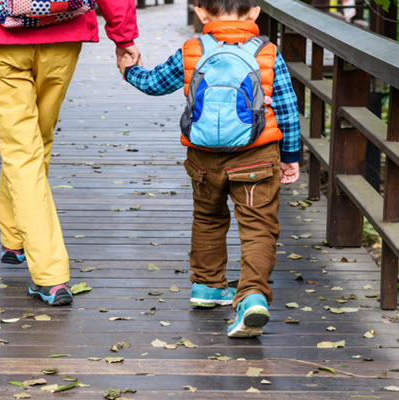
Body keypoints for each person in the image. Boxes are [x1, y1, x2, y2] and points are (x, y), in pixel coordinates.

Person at [0, 0, 140, 306]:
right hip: (61, 36)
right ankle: (14, 237)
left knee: (22, 151)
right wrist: (124, 37)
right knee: (36, 142)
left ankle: (50, 276)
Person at [118, 0, 300, 337]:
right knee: (259, 225)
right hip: (256, 154)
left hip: (203, 157)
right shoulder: (268, 52)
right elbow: (287, 108)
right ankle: (252, 296)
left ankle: (207, 286)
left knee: (208, 217)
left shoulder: (192, 49)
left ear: (201, 12)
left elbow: (154, 83)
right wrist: (290, 155)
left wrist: (130, 70)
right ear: (254, 12)